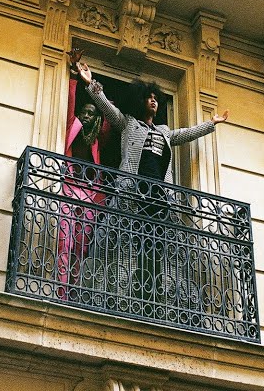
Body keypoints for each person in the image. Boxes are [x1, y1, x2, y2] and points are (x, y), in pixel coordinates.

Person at [73, 59, 230, 304]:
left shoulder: (164, 131)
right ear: (140, 101)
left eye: (156, 98)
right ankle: (121, 293)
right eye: (149, 98)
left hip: (159, 196)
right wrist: (89, 82)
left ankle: (160, 295)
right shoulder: (128, 124)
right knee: (126, 242)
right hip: (132, 192)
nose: (154, 101)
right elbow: (107, 108)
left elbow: (185, 134)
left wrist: (211, 124)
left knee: (161, 246)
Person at [55, 49, 119, 298]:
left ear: (96, 119)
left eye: (91, 113)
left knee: (81, 246)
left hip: (90, 192)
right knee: (65, 241)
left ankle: (74, 291)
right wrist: (74, 77)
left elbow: (110, 115)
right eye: (84, 112)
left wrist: (92, 84)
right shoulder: (73, 126)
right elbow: (71, 103)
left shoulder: (98, 139)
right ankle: (61, 290)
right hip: (70, 186)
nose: (86, 115)